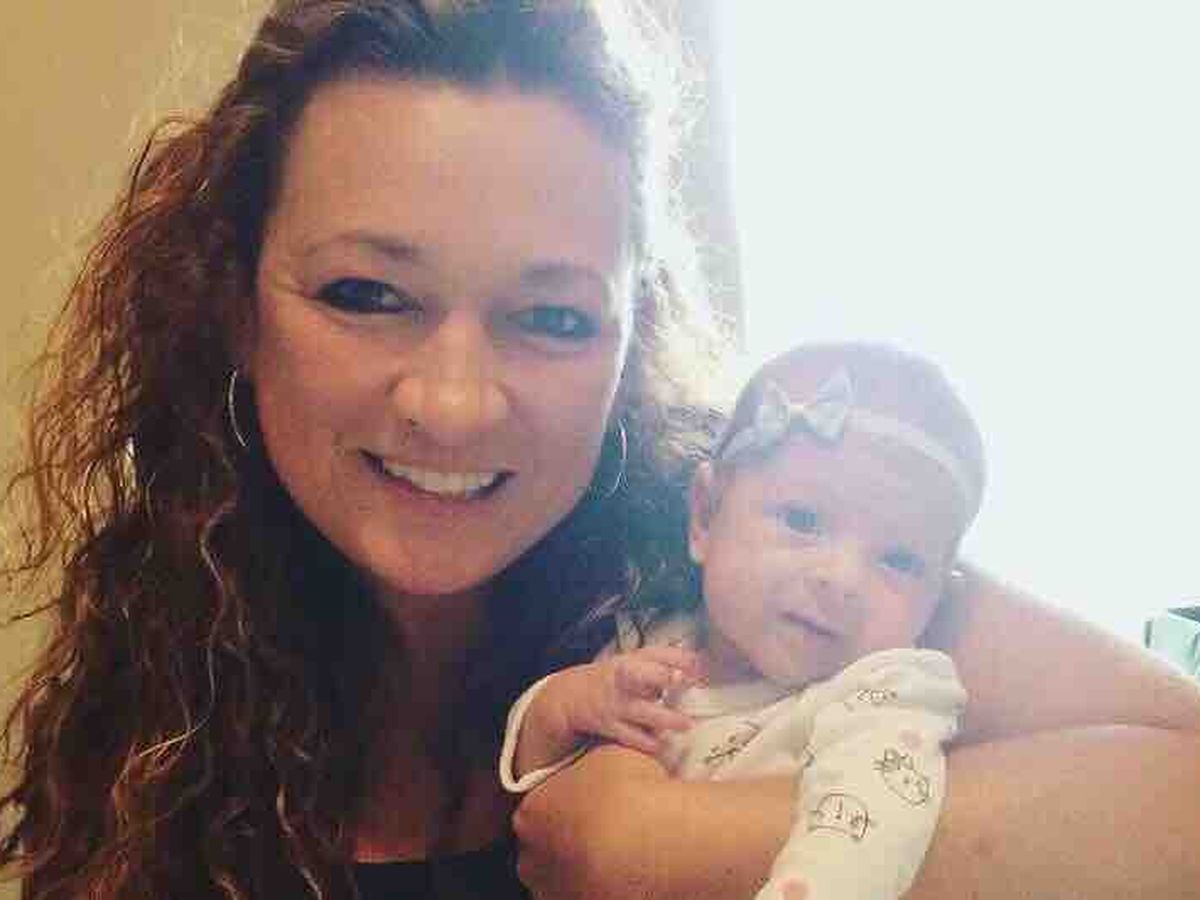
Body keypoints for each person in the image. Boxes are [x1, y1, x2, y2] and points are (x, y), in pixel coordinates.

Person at [1, 2, 1198, 899]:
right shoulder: (162, 700)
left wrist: (676, 848)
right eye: (367, 293)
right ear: (231, 304)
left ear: (634, 336)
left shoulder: (759, 556)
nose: (455, 405)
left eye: (555, 318)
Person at [500, 343, 982, 900]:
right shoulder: (651, 640)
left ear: (937, 597)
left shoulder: (884, 694)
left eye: (898, 560)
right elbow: (536, 810)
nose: (841, 579)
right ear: (706, 515)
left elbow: (864, 847)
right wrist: (562, 707)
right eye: (803, 520)